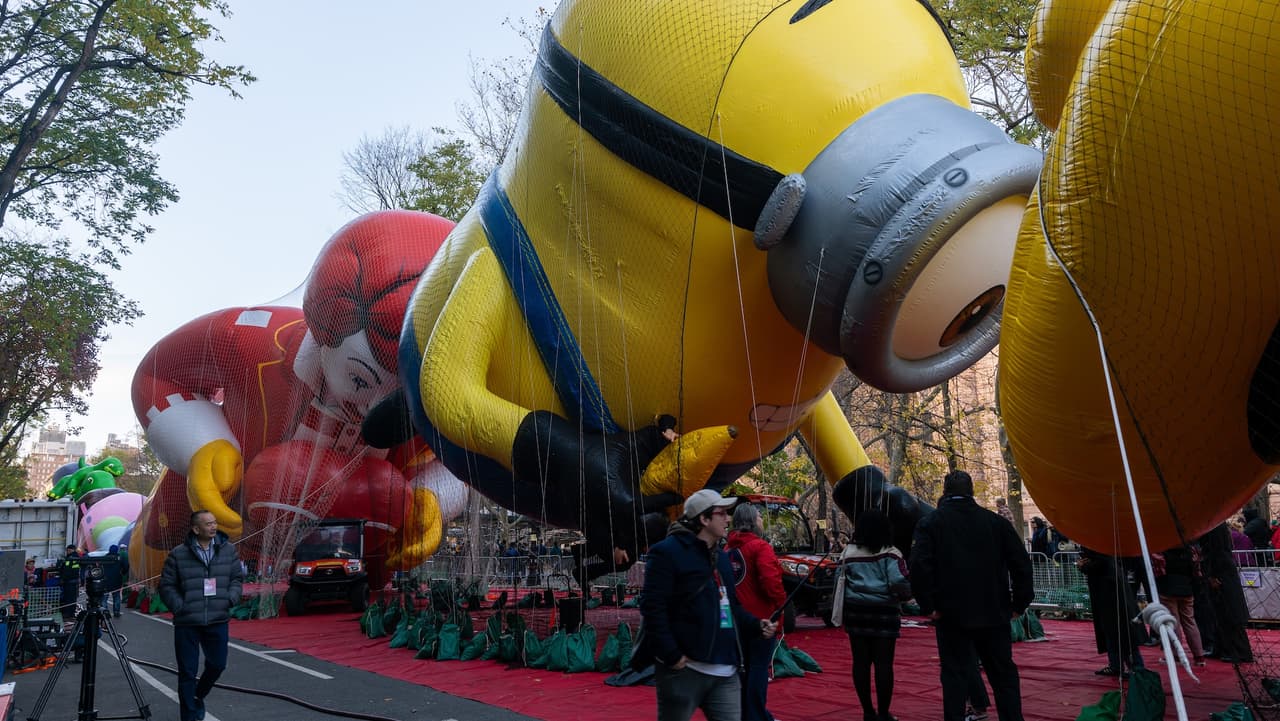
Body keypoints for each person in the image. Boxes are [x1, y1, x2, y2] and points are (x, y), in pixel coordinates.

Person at [639, 489, 777, 721]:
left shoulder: (722, 557)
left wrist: (756, 625)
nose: (728, 519)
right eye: (721, 513)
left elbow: (731, 606)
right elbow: (652, 608)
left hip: (726, 671)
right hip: (684, 671)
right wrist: (671, 655)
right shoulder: (666, 553)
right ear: (703, 519)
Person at [910, 470, 1034, 721]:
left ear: (945, 491)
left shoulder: (931, 523)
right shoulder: (995, 523)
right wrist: (1019, 603)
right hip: (994, 611)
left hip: (951, 614)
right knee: (1003, 676)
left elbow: (919, 566)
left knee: (955, 675)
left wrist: (928, 605)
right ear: (971, 491)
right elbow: (1021, 564)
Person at [159, 510, 244, 721]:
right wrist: (180, 606)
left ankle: (197, 695)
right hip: (187, 621)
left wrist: (230, 599)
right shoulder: (178, 554)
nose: (214, 527)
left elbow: (236, 579)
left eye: (215, 523)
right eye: (208, 524)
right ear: (196, 529)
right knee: (187, 672)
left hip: (217, 618)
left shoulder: (228, 550)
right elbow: (166, 585)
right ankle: (189, 716)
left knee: (218, 664)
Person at [832, 509, 911, 721]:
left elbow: (838, 580)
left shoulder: (848, 553)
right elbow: (898, 582)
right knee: (884, 664)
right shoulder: (891, 552)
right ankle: (884, 713)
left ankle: (868, 711)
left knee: (861, 663)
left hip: (856, 613)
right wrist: (905, 597)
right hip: (884, 612)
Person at [725, 502, 787, 721]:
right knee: (758, 669)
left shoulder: (728, 549)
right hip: (762, 619)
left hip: (734, 620)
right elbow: (771, 581)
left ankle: (746, 713)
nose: (762, 520)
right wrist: (780, 606)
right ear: (752, 521)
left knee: (741, 670)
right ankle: (756, 715)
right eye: (760, 516)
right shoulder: (760, 547)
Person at [1076, 546, 1145, 677]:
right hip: (1108, 590)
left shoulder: (1100, 546)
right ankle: (1119, 665)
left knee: (1121, 630)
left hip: (1110, 591)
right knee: (1112, 629)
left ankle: (1135, 667)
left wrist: (1084, 566)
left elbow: (1101, 562)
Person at [1198, 523, 1254, 663]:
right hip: (1221, 575)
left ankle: (1238, 651)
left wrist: (1212, 575)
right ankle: (1223, 648)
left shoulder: (1215, 529)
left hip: (1221, 577)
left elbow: (1215, 553)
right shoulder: (1218, 528)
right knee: (1220, 615)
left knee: (1228, 615)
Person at [1154, 543, 1206, 666]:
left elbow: (1158, 569)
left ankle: (1176, 655)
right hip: (1186, 588)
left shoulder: (1162, 550)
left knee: (1173, 622)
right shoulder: (1190, 549)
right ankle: (1199, 656)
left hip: (1168, 588)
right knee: (1190, 622)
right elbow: (1196, 570)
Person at [57, 544, 81, 623]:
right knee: (72, 598)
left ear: (71, 550)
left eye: (67, 550)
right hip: (74, 581)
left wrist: (62, 578)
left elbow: (67, 570)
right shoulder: (76, 557)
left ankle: (68, 614)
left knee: (69, 598)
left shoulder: (71, 558)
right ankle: (71, 613)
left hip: (69, 582)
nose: (67, 551)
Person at [101, 544, 125, 617]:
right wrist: (122, 573)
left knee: (104, 597)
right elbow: (126, 566)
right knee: (116, 596)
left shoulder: (105, 557)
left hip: (106, 580)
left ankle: (105, 612)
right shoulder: (119, 558)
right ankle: (116, 612)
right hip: (117, 579)